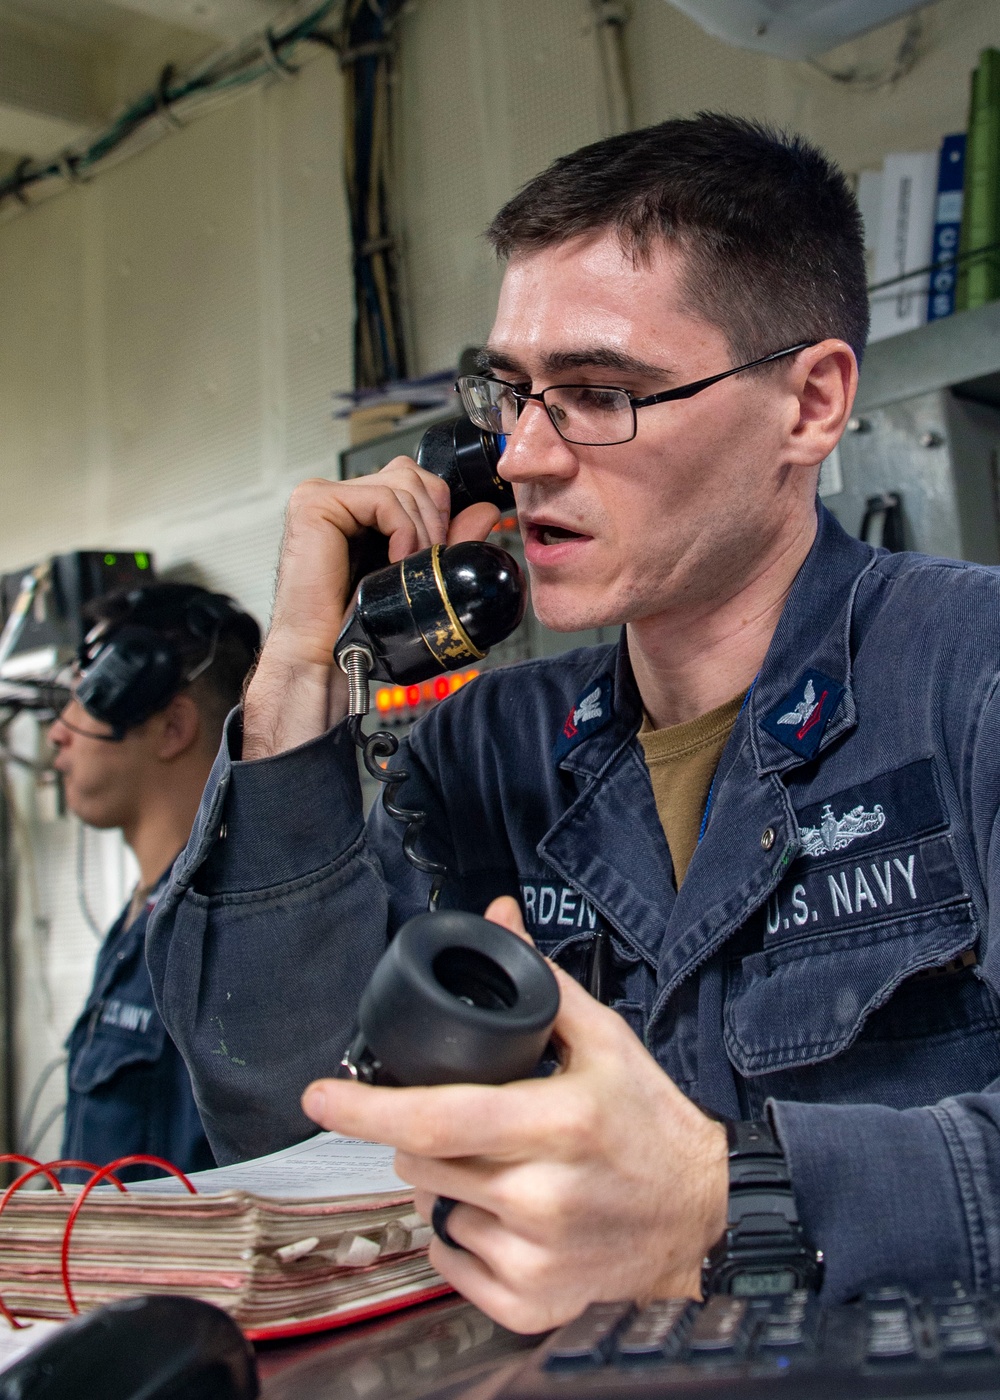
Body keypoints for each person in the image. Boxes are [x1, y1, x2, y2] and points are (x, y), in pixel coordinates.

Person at [149, 113, 1000, 1328]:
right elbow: (296, 1114)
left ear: (810, 403)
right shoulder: (484, 757)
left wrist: (723, 1202)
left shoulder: (968, 680)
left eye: (601, 393)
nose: (528, 456)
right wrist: (298, 674)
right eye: (510, 393)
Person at [53, 583, 259, 1180]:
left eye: (85, 701)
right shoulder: (141, 920)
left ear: (173, 729)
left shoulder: (226, 937)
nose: (57, 734)